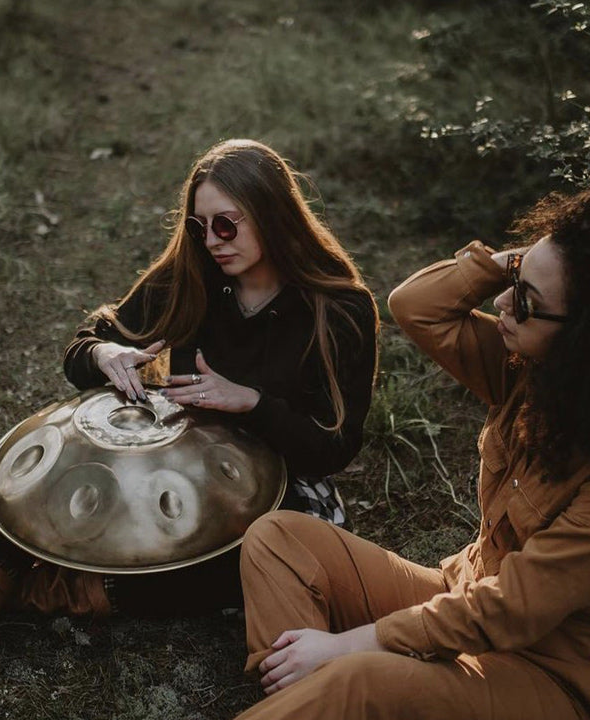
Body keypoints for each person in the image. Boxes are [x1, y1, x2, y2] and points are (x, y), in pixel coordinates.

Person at [0, 138, 378, 712]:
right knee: (46, 470)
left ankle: (40, 590)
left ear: (272, 214)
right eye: (199, 227)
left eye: (226, 225)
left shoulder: (338, 308)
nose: (212, 241)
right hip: (184, 459)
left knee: (233, 569)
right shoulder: (193, 274)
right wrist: (104, 354)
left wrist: (252, 404)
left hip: (283, 489)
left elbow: (335, 447)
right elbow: (85, 344)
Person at [231, 190, 590, 720]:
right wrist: (523, 262)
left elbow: (511, 608)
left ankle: (326, 697)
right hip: (458, 593)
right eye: (513, 282)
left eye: (527, 300)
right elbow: (416, 306)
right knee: (277, 538)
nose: (502, 303)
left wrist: (349, 645)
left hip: (544, 673)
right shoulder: (534, 368)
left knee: (358, 675)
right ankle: (315, 702)